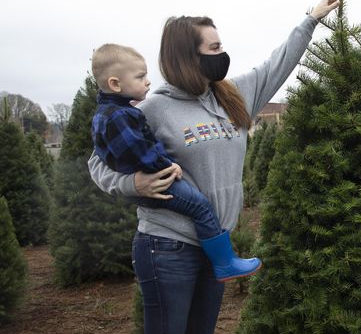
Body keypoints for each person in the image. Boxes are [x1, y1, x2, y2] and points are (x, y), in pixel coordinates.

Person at [88, 0, 339, 334]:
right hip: (167, 246)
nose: (222, 55)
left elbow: (277, 63)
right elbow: (97, 163)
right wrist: (133, 182)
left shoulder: (231, 95)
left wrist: (309, 20)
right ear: (186, 55)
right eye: (214, 47)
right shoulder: (152, 105)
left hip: (213, 248)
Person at [90, 43, 261, 282]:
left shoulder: (114, 112)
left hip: (154, 177)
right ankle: (224, 262)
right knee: (200, 206)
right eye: (140, 77)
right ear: (115, 84)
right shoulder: (121, 116)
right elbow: (138, 152)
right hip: (159, 179)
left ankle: (223, 260)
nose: (148, 81)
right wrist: (165, 165)